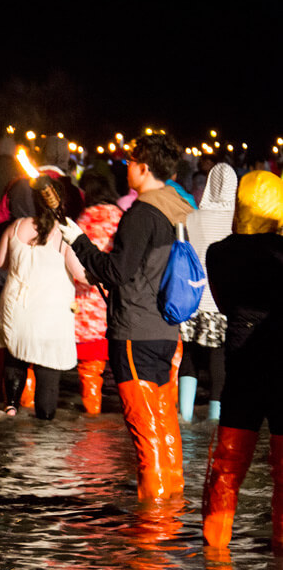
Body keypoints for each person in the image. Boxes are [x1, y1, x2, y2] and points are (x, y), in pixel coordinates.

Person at [59, 132, 192, 502]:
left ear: (144, 168)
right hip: (167, 329)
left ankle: (152, 527)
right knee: (165, 428)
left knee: (145, 433)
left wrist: (79, 242)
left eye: (132, 161)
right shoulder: (178, 208)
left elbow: (117, 271)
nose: (127, 166)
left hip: (135, 329)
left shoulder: (142, 214)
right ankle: (173, 508)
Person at [201, 170, 283, 549]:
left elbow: (223, 304)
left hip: (242, 367)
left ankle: (216, 558)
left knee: (227, 467)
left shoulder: (218, 253)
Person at [0, 177, 86, 419]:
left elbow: (0, 263)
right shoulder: (65, 232)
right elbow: (80, 274)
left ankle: (11, 408)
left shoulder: (15, 227)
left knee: (14, 359)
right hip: (50, 315)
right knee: (48, 370)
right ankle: (45, 423)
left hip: (16, 308)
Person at [177, 162, 236, 423]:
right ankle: (215, 419)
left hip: (192, 299)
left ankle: (186, 415)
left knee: (189, 356)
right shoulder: (236, 220)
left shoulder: (192, 217)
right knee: (218, 360)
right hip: (221, 300)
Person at [73, 170, 123, 415]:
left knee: (90, 369)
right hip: (116, 302)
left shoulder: (84, 219)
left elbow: (73, 259)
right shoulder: (121, 217)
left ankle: (92, 417)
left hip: (87, 302)